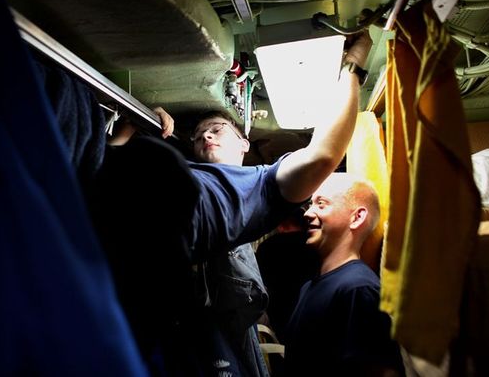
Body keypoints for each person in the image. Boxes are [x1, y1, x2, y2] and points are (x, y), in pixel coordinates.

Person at [100, 31, 372, 376]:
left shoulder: (261, 186)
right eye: (198, 137)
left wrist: (353, 66)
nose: (206, 136)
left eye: (215, 129)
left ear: (244, 142)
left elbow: (323, 155)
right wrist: (132, 125)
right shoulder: (177, 172)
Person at [283, 173, 405, 376]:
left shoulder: (359, 289)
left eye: (321, 204)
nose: (307, 213)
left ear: (357, 218)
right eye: (311, 204)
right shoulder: (310, 286)